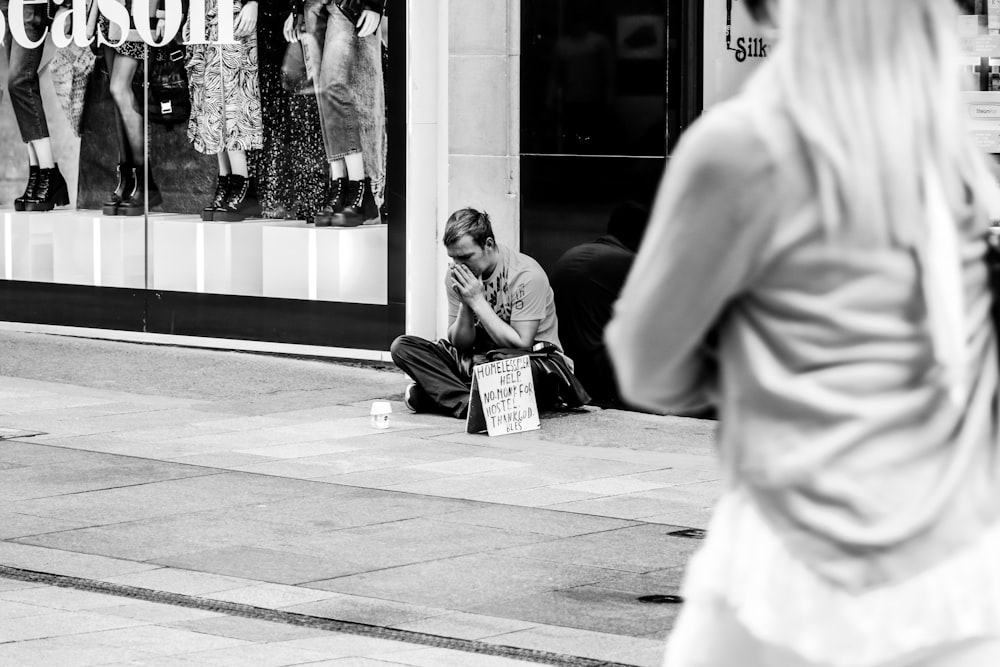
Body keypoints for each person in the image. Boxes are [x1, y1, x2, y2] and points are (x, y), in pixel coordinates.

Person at [606, 1, 1000, 666]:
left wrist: (748, 371)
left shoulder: (745, 146)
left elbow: (645, 364)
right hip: (953, 570)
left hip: (798, 570)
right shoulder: (954, 162)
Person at [391, 208, 585, 419]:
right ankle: (470, 404)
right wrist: (466, 304)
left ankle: (441, 395)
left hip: (533, 362)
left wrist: (477, 300)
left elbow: (521, 343)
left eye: (465, 257)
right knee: (403, 347)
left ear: (489, 244)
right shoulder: (456, 275)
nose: (458, 265)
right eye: (453, 258)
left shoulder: (526, 275)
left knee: (503, 365)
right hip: (480, 359)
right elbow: (460, 343)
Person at [283, 0, 385, 227]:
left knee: (334, 85)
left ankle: (360, 188)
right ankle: (339, 186)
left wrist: (374, 4)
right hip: (312, 5)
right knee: (324, 94)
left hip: (345, 4)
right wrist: (295, 8)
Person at [550, 201, 648, 407]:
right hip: (598, 370)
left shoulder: (578, 252)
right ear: (639, 235)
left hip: (566, 362)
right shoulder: (628, 262)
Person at [185, 0, 263, 221]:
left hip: (231, 10)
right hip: (203, 9)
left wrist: (253, 2)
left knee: (232, 93)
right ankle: (226, 178)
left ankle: (242, 182)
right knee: (209, 96)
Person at [5, 0, 69, 212]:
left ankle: (49, 173)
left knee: (19, 81)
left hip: (31, 4)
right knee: (23, 85)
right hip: (9, 6)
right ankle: (38, 172)